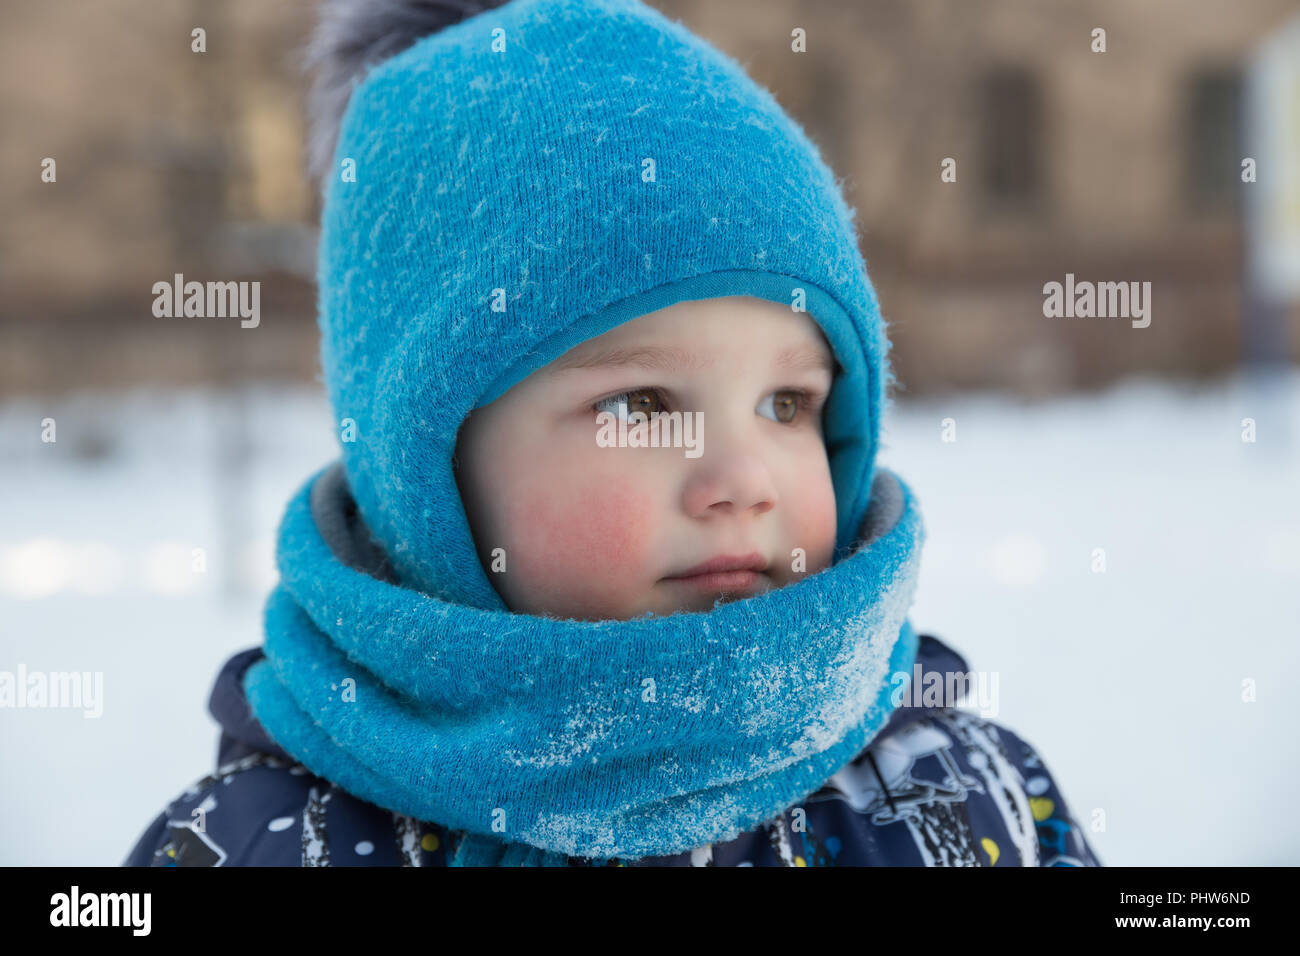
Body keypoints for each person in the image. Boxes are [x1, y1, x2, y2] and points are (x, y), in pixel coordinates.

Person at [124, 0, 1100, 867]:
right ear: (428, 473)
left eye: (786, 404)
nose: (743, 480)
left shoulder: (963, 798)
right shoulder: (261, 840)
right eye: (641, 406)